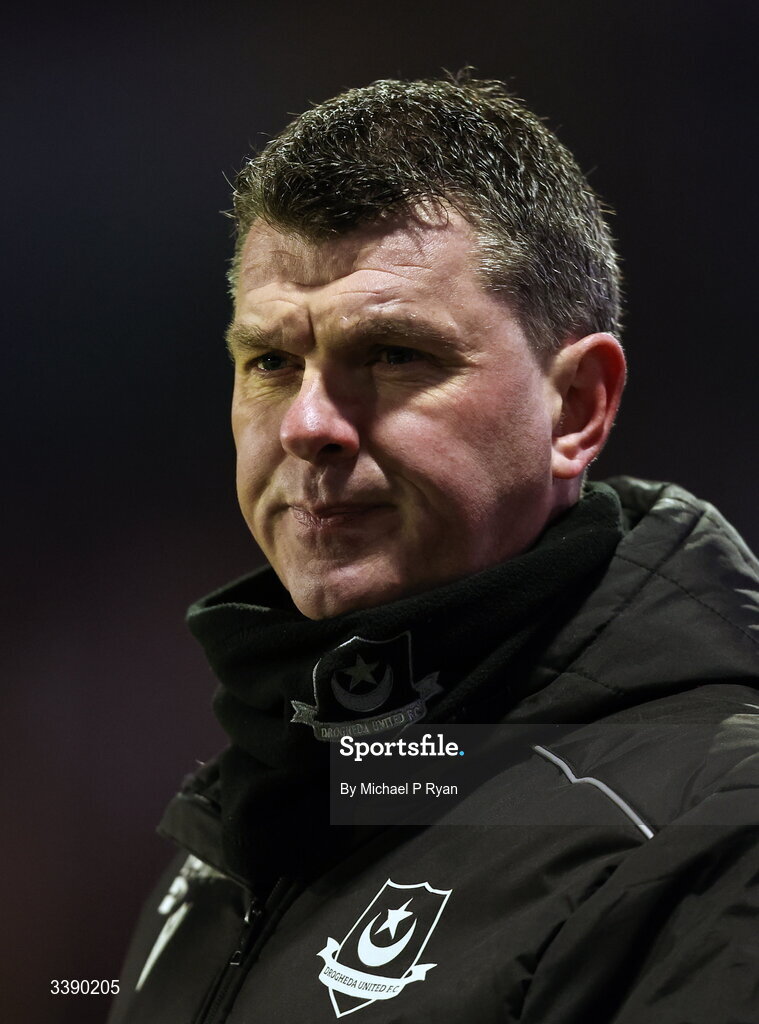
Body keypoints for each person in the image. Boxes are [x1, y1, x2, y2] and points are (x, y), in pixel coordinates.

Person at [108, 75, 759, 1024]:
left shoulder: (714, 824)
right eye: (271, 362)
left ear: (575, 407)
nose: (307, 425)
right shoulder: (248, 817)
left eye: (394, 354)